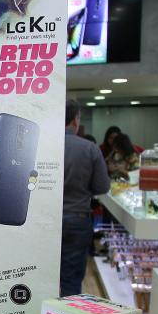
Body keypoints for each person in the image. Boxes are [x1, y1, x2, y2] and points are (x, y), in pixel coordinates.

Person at [62, 100, 110, 297]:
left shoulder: (41, 145)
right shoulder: (90, 148)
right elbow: (102, 187)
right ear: (76, 120)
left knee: (41, 276)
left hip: (45, 220)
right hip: (77, 219)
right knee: (71, 280)